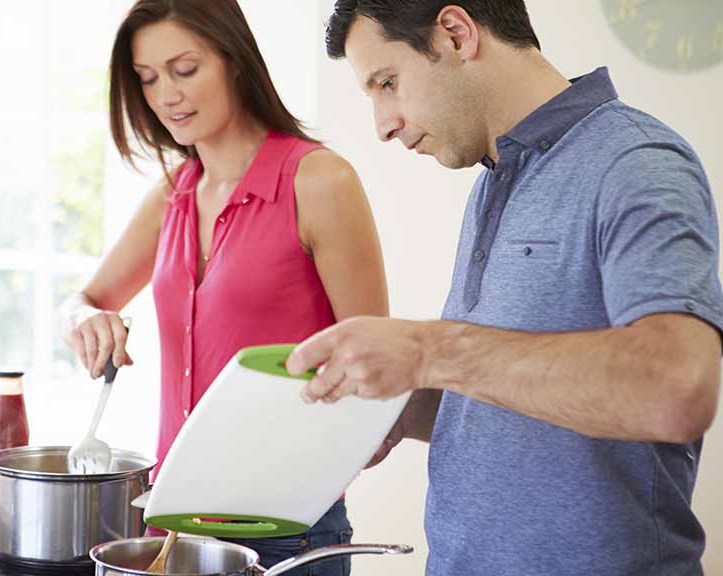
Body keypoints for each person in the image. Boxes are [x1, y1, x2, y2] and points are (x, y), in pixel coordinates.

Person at [285, 1, 723, 574]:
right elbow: (516, 390)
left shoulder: (636, 161)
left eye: (387, 83)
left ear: (456, 33)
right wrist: (402, 406)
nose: (384, 124)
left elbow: (677, 388)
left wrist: (428, 349)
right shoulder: (491, 182)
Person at [59, 1, 388, 573]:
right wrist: (84, 319)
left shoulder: (319, 181)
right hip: (173, 526)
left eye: (184, 70)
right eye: (148, 79)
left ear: (234, 61)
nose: (165, 96)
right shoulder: (174, 193)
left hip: (289, 531)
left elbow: (378, 370)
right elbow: (83, 300)